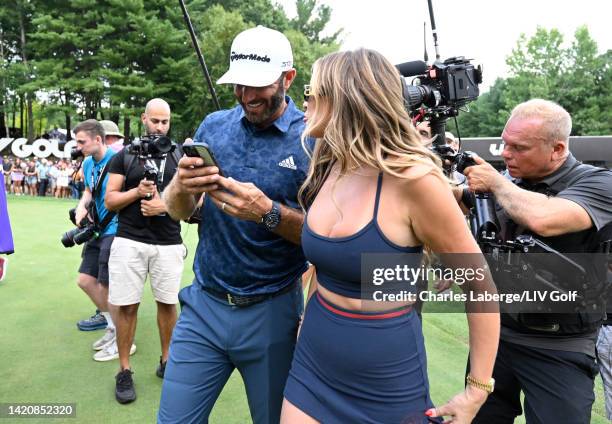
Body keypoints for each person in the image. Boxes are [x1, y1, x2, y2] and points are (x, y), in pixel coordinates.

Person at [277, 48, 499, 424]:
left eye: (312, 93)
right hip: (311, 363)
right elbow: (326, 263)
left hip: (386, 381)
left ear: (346, 99)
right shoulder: (328, 166)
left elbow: (481, 287)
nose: (304, 102)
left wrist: (477, 390)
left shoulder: (416, 181)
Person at [159, 25, 309, 423]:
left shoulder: (313, 140)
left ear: (287, 78)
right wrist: (181, 185)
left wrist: (267, 212)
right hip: (203, 305)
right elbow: (177, 209)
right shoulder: (213, 126)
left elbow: (326, 236)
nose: (246, 96)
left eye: (257, 86)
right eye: (239, 85)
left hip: (273, 311)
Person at [459, 99, 612, 423]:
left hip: (561, 346)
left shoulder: (599, 183)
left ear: (557, 149)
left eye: (519, 147)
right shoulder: (510, 181)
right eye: (505, 144)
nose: (505, 154)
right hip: (496, 337)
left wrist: (495, 183)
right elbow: (457, 204)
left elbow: (543, 218)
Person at [105, 98, 184, 404]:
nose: (160, 127)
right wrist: (136, 193)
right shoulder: (125, 155)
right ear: (143, 119)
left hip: (169, 241)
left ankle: (167, 361)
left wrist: (164, 204)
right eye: (155, 121)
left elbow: (194, 202)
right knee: (127, 306)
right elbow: (110, 200)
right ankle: (124, 370)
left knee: (167, 304)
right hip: (130, 240)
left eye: (165, 122)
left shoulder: (179, 154)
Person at [71, 119, 119, 353]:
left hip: (116, 230)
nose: (78, 146)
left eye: (82, 141)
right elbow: (89, 190)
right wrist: (82, 207)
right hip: (97, 229)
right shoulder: (88, 162)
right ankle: (113, 327)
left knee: (106, 286)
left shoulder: (119, 161)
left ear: (98, 139)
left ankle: (122, 339)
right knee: (85, 280)